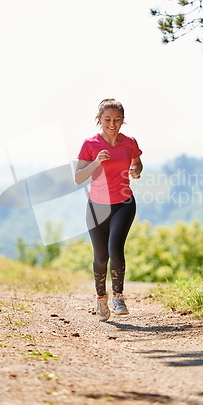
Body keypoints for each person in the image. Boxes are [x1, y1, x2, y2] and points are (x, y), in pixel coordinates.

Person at [75, 99, 143, 322]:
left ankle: (119, 298)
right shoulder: (90, 143)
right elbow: (78, 178)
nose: (112, 124)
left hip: (123, 203)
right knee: (101, 256)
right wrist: (95, 163)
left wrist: (136, 169)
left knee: (116, 249)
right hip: (97, 206)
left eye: (117, 119)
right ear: (99, 119)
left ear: (123, 120)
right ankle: (101, 298)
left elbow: (137, 161)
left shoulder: (129, 142)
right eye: (107, 119)